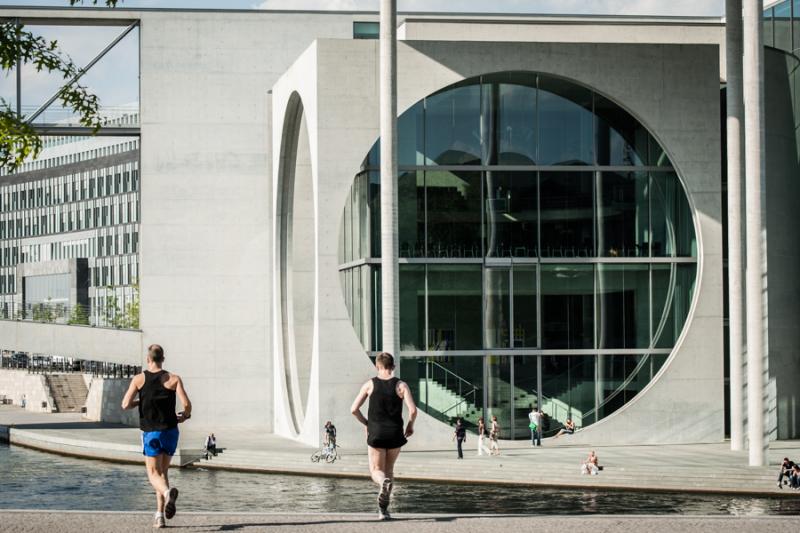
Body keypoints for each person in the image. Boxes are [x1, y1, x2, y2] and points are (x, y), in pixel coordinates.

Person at [122, 344, 192, 529]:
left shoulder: (139, 379)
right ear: (163, 359)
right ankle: (159, 516)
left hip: (151, 432)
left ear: (148, 359)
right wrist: (184, 416)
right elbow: (187, 404)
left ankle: (168, 494)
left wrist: (140, 401)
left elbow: (125, 404)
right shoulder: (174, 379)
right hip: (171, 432)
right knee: (162, 473)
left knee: (153, 475)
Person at [350, 352, 417, 521]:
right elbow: (413, 410)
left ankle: (382, 484)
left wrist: (366, 423)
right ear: (393, 367)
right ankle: (384, 511)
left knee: (376, 471)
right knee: (389, 470)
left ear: (377, 366)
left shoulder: (369, 385)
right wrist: (410, 425)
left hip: (376, 433)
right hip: (395, 433)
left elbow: (353, 409)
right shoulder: (401, 385)